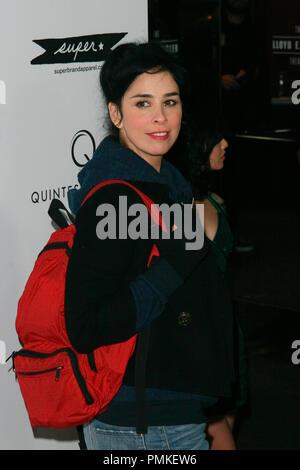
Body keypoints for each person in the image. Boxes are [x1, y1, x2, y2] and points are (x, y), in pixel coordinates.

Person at [65, 42, 235, 451]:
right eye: (143, 103)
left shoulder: (168, 182)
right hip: (142, 422)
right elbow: (85, 325)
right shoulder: (114, 198)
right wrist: (173, 269)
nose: (160, 117)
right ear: (116, 114)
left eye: (169, 101)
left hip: (173, 408)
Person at [182, 127, 248, 450]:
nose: (225, 144)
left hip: (227, 333)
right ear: (197, 146)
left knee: (226, 424)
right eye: (216, 139)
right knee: (218, 429)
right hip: (200, 334)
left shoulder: (216, 201)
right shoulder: (175, 212)